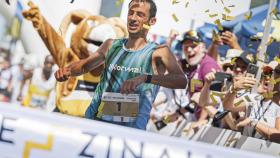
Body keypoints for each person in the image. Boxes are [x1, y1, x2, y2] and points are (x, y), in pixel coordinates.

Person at [55, 0, 187, 130]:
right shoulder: (111, 45)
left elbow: (181, 81)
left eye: (140, 15)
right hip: (95, 123)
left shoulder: (159, 51)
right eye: (131, 13)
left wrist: (145, 78)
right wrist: (67, 71)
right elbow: (84, 66)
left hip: (129, 132)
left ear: (151, 21)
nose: (133, 18)